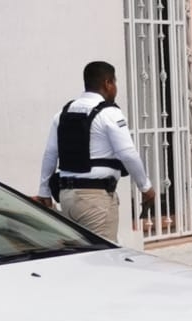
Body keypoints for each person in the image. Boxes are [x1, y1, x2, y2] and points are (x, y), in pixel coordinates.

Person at [34, 61, 155, 242]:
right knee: (103, 260)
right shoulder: (110, 114)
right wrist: (145, 187)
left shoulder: (63, 113)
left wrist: (44, 192)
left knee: (79, 257)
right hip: (95, 200)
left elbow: (50, 154)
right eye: (115, 83)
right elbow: (128, 153)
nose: (115, 88)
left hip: (66, 198)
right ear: (107, 83)